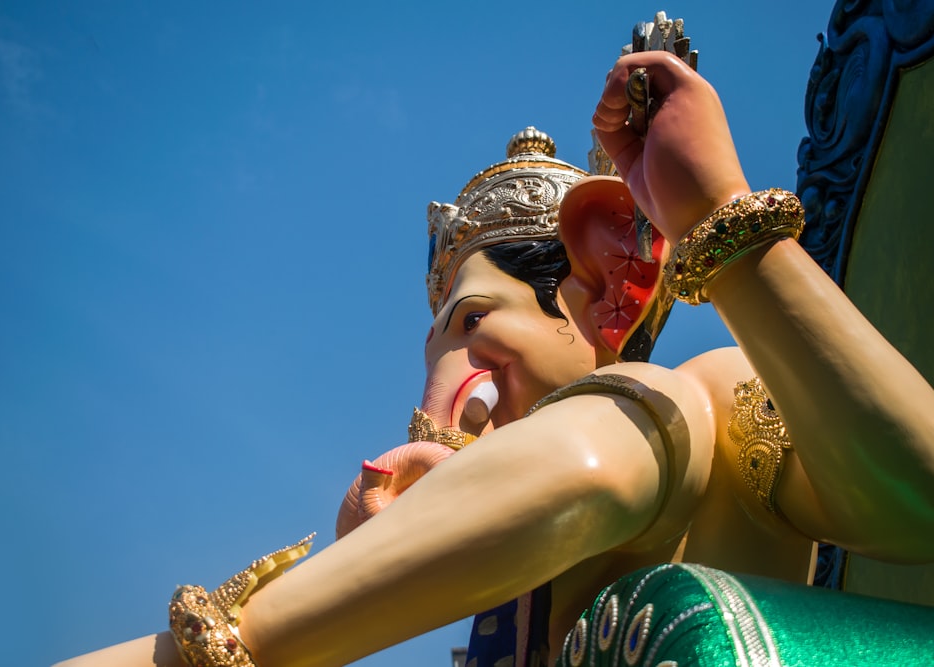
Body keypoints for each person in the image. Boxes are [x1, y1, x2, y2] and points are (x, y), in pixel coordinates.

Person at [55, 51, 934, 667]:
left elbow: (915, 497)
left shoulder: (692, 402)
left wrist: (717, 219)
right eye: (440, 346)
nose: (450, 383)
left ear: (604, 285)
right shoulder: (496, 614)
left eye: (477, 319)